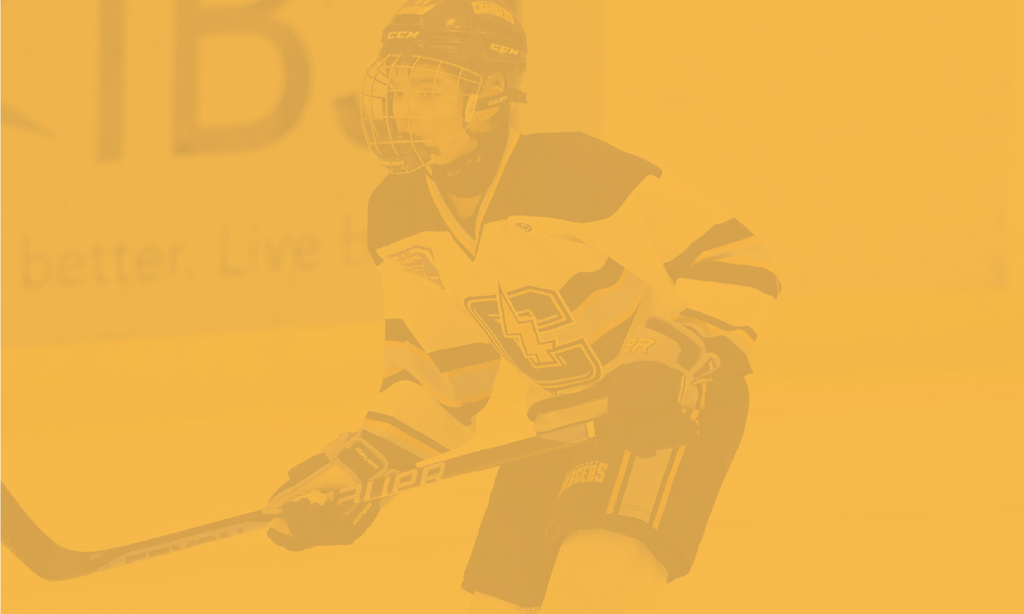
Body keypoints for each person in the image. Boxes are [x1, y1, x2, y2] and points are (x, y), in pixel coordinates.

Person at [263, 1, 779, 612]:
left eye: (427, 91)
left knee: (590, 593)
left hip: (667, 411)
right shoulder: (397, 214)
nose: (404, 109)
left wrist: (666, 358)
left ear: (490, 93)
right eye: (399, 90)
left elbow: (735, 257)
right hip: (559, 430)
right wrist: (359, 470)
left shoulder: (573, 171)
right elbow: (440, 380)